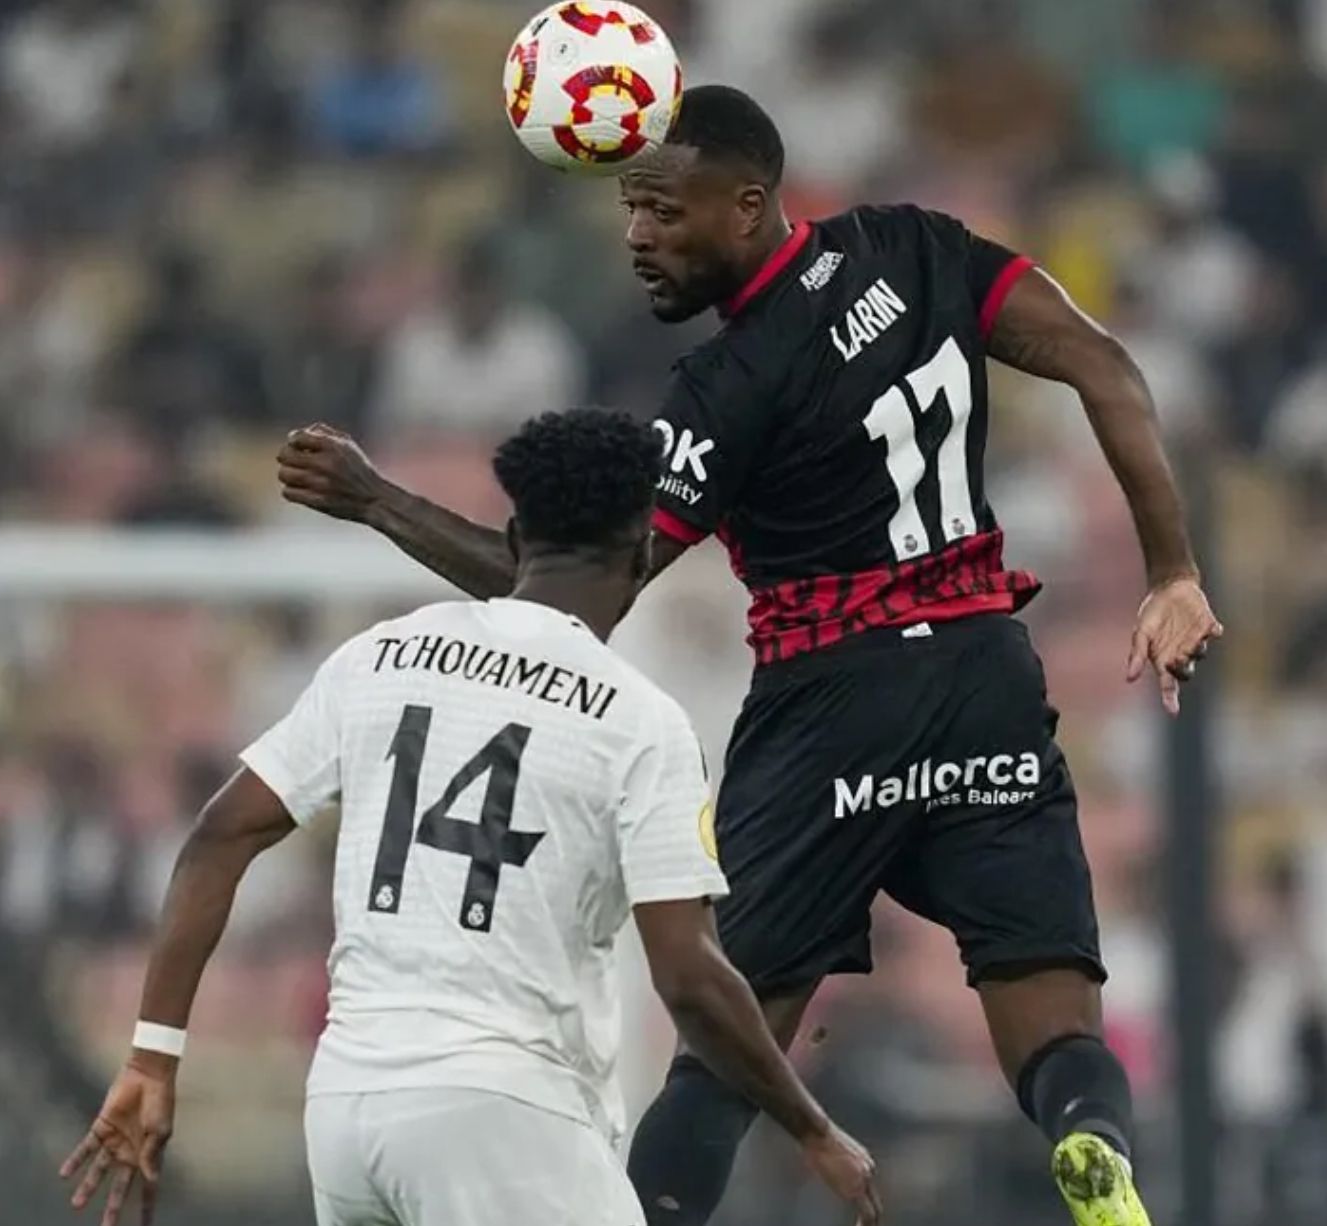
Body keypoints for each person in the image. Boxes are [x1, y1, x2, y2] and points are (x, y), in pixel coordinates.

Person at [277, 84, 1223, 1226]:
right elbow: (1106, 365)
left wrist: (376, 499)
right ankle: (1088, 1144)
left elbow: (568, 588)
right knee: (1053, 1021)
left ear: (747, 203)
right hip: (981, 676)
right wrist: (1171, 569)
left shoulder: (729, 388)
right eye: (629, 211)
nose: (638, 239)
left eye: (664, 214)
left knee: (724, 1051)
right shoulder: (915, 247)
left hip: (828, 703)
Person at [61, 409, 880, 1226]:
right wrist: (811, 1126)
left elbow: (216, 836)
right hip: (502, 1111)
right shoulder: (639, 719)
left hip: (349, 1103)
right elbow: (688, 977)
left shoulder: (381, 654)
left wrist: (153, 1057)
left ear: (516, 536)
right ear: (641, 556)